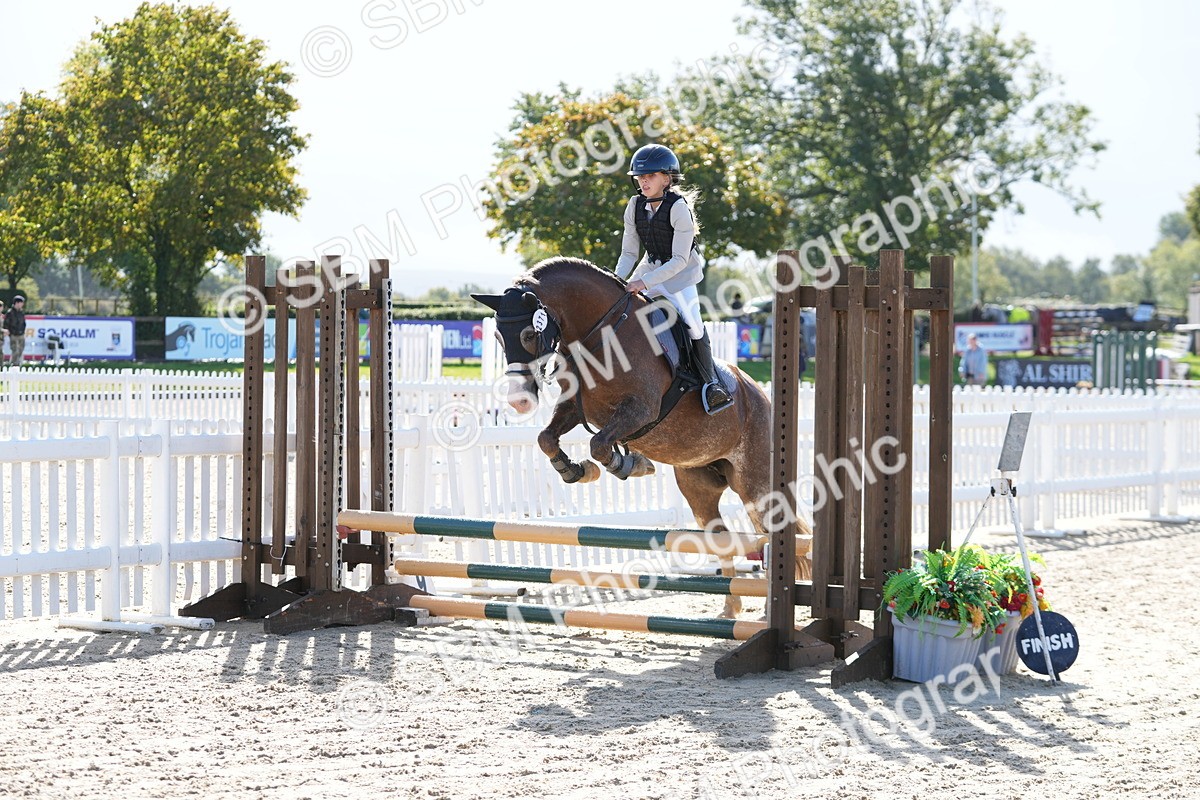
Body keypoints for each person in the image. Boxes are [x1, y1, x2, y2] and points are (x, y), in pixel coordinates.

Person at [614, 143, 733, 414]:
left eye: (651, 176)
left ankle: (711, 384)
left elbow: (678, 260)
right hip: (651, 266)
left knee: (693, 325)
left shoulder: (679, 208)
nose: (644, 180)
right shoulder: (634, 206)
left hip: (680, 275)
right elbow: (629, 252)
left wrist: (643, 284)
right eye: (640, 176)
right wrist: (617, 281)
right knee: (620, 306)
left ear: (667, 178)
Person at [3, 295, 27, 368]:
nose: (22, 304)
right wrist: (9, 332)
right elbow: (6, 323)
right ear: (16, 303)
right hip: (13, 335)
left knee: (20, 350)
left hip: (21, 334)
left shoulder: (21, 312)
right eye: (21, 303)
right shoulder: (10, 313)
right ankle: (14, 365)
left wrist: (23, 331)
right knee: (15, 350)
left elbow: (23, 323)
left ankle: (16, 363)